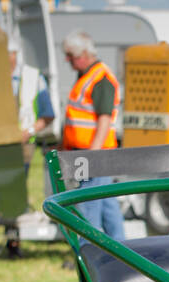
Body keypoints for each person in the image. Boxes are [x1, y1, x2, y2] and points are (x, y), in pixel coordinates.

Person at [60, 30, 124, 243]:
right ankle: (121, 248)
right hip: (87, 152)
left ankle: (88, 251)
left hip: (94, 154)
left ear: (85, 54)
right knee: (106, 204)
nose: (67, 60)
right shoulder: (86, 76)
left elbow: (104, 120)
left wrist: (91, 157)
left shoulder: (101, 78)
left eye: (71, 56)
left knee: (88, 204)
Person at [2, 36, 55, 258]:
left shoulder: (33, 78)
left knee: (15, 193)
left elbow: (47, 114)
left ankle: (13, 242)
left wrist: (29, 132)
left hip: (23, 146)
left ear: (15, 55)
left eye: (8, 55)